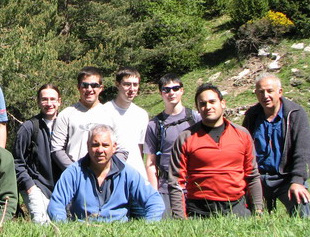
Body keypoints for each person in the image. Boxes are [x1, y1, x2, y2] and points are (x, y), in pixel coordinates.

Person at [168, 83, 263, 218]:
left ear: (222, 103)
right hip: (199, 211)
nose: (208, 107)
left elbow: (252, 175)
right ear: (198, 109)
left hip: (236, 208)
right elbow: (176, 182)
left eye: (212, 102)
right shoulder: (185, 137)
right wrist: (179, 218)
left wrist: (258, 210)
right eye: (203, 104)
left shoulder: (242, 134)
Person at [48, 125, 164, 222]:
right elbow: (56, 205)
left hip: (120, 234)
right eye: (95, 145)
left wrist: (149, 227)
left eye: (105, 145)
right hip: (83, 231)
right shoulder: (74, 172)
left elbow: (155, 201)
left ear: (114, 147)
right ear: (87, 146)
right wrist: (64, 232)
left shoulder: (128, 173)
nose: (100, 150)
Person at [242, 74, 310, 217]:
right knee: (247, 218)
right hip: (258, 178)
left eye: (270, 91)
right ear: (256, 93)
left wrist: (298, 181)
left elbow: (304, 151)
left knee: (302, 206)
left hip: (286, 177)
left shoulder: (295, 114)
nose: (265, 96)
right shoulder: (252, 115)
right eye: (261, 92)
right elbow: (243, 148)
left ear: (280, 92)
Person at [144, 73, 201, 216]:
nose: (171, 93)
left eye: (175, 88)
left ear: (182, 90)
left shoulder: (196, 118)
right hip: (166, 187)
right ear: (161, 93)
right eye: (166, 89)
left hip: (195, 185)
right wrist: (154, 193)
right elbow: (151, 163)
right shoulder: (154, 125)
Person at [51, 67, 118, 172]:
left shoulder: (111, 115)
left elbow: (121, 149)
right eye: (85, 85)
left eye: (94, 85)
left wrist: (110, 171)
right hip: (74, 175)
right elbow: (56, 149)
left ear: (101, 88)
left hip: (105, 176)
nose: (89, 89)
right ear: (78, 87)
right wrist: (75, 172)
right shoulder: (66, 114)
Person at [13, 84, 63, 224]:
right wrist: (29, 186)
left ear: (59, 101)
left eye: (53, 99)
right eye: (44, 99)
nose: (49, 104)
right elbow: (17, 161)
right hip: (36, 186)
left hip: (61, 188)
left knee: (63, 226)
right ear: (38, 101)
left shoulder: (66, 124)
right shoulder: (29, 127)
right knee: (42, 223)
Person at [103, 67, 149, 182]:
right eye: (127, 84)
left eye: (135, 85)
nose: (132, 89)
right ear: (118, 85)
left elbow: (141, 148)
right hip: (112, 175)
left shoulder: (142, 114)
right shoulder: (104, 111)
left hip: (137, 175)